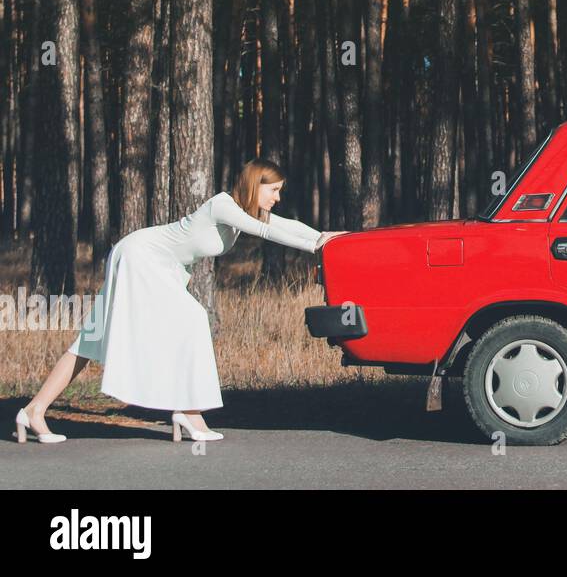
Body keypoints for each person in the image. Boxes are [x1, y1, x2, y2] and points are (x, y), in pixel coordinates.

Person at [14, 158, 347, 444]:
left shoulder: (245, 211)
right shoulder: (223, 205)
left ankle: (33, 411)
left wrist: (324, 237)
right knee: (192, 318)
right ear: (254, 184)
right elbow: (265, 232)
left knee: (93, 336)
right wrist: (315, 246)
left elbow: (286, 225)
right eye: (273, 189)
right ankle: (188, 412)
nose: (278, 197)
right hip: (141, 256)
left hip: (163, 266)